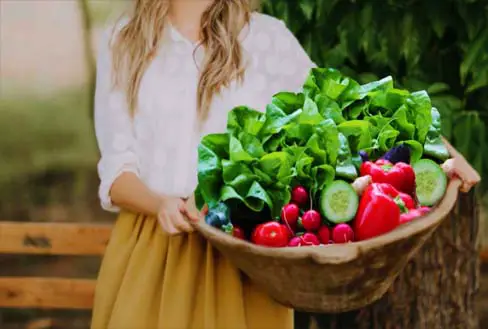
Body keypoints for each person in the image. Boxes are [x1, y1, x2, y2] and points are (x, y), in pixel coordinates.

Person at [91, 1, 480, 328]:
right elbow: (116, 171)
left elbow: (343, 113)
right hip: (155, 251)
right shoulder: (123, 40)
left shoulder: (265, 38)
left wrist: (438, 150)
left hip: (248, 256)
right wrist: (161, 205)